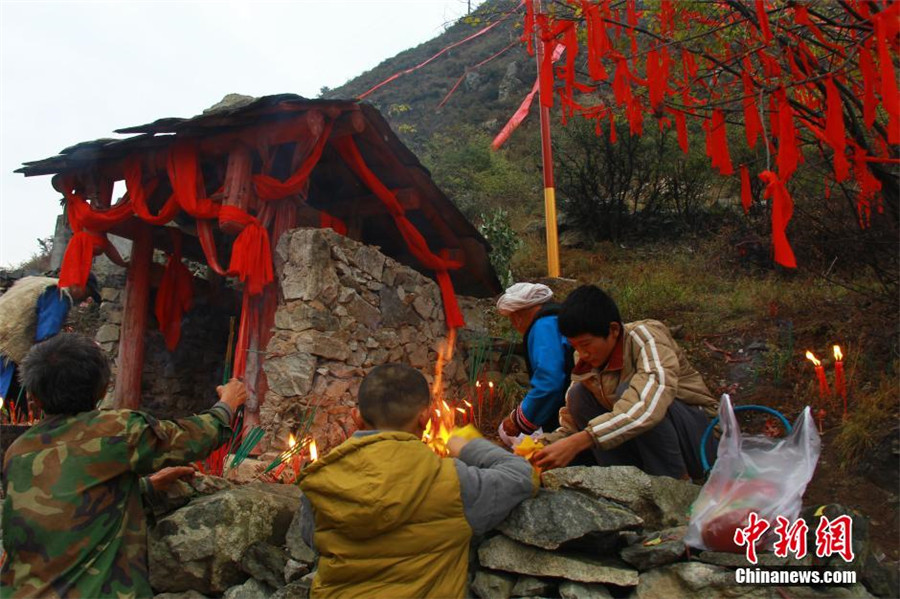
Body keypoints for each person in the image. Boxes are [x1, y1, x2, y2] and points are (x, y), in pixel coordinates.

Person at [0, 333, 247, 598]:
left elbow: (63, 502)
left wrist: (147, 487)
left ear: (34, 396)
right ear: (103, 387)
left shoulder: (19, 451)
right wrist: (227, 405)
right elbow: (191, 438)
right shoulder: (115, 431)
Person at [299, 363, 535, 599]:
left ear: (356, 418)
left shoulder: (321, 479)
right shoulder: (453, 481)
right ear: (426, 418)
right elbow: (520, 475)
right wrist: (466, 444)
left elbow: (311, 540)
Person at [534, 285, 718, 480]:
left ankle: (674, 486)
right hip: (646, 444)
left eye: (586, 344)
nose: (583, 353)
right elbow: (572, 425)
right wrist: (544, 446)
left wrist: (584, 439)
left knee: (630, 394)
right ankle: (625, 483)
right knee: (578, 396)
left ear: (613, 329)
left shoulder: (646, 338)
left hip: (702, 439)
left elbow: (647, 405)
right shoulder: (585, 360)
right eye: (575, 346)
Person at [0, 273, 101, 411]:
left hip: (3, 341)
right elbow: (47, 342)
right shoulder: (58, 294)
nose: (84, 299)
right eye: (87, 294)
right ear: (79, 285)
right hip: (6, 352)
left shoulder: (35, 282)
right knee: (15, 409)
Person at [495, 282, 573, 445]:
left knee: (505, 431)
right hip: (575, 411)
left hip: (571, 418)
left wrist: (518, 419)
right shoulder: (557, 320)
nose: (514, 324)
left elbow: (549, 382)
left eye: (512, 318)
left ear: (517, 315)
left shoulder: (543, 326)